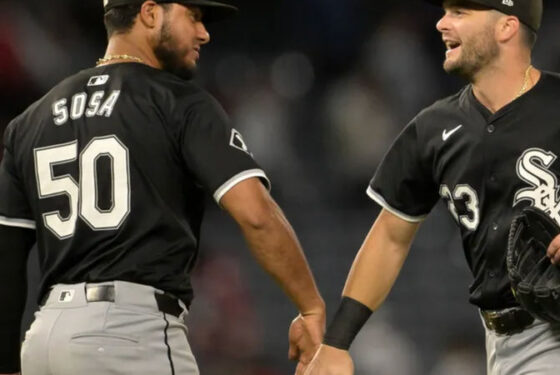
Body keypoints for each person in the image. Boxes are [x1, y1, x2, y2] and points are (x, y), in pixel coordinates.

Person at [302, 0, 560, 374]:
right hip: (500, 342)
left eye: (459, 12)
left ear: (507, 25)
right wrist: (337, 342)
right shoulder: (432, 130)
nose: (442, 23)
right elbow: (390, 235)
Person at [0, 1, 324, 374]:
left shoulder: (29, 122)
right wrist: (310, 307)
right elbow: (256, 215)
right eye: (194, 16)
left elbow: (6, 260)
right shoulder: (179, 101)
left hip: (43, 340)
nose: (204, 33)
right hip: (130, 334)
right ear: (150, 13)